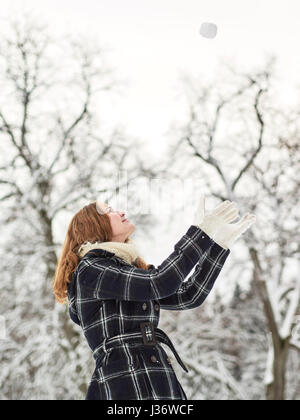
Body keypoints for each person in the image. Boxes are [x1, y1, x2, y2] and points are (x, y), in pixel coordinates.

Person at [52, 197, 256, 400]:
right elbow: (159, 282)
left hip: (155, 378)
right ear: (93, 227)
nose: (121, 212)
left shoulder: (124, 271)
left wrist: (219, 245)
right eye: (110, 211)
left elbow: (188, 295)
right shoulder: (91, 270)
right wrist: (201, 233)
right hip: (127, 382)